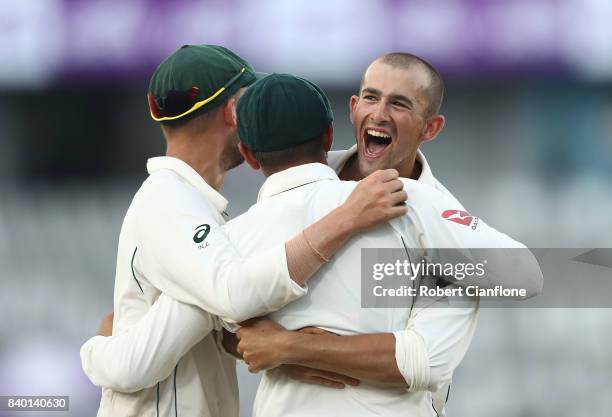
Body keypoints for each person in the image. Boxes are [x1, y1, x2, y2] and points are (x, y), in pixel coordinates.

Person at [83, 71, 541, 417]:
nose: (380, 113)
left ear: (248, 155)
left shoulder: (232, 244)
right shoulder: (411, 204)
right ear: (333, 130)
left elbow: (139, 361)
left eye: (398, 103)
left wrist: (284, 346)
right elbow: (528, 278)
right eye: (372, 98)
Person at [80, 45, 409, 417]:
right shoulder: (168, 199)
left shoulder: (188, 201)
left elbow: (202, 311)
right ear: (234, 111)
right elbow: (229, 294)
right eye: (252, 102)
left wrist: (267, 347)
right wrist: (347, 217)